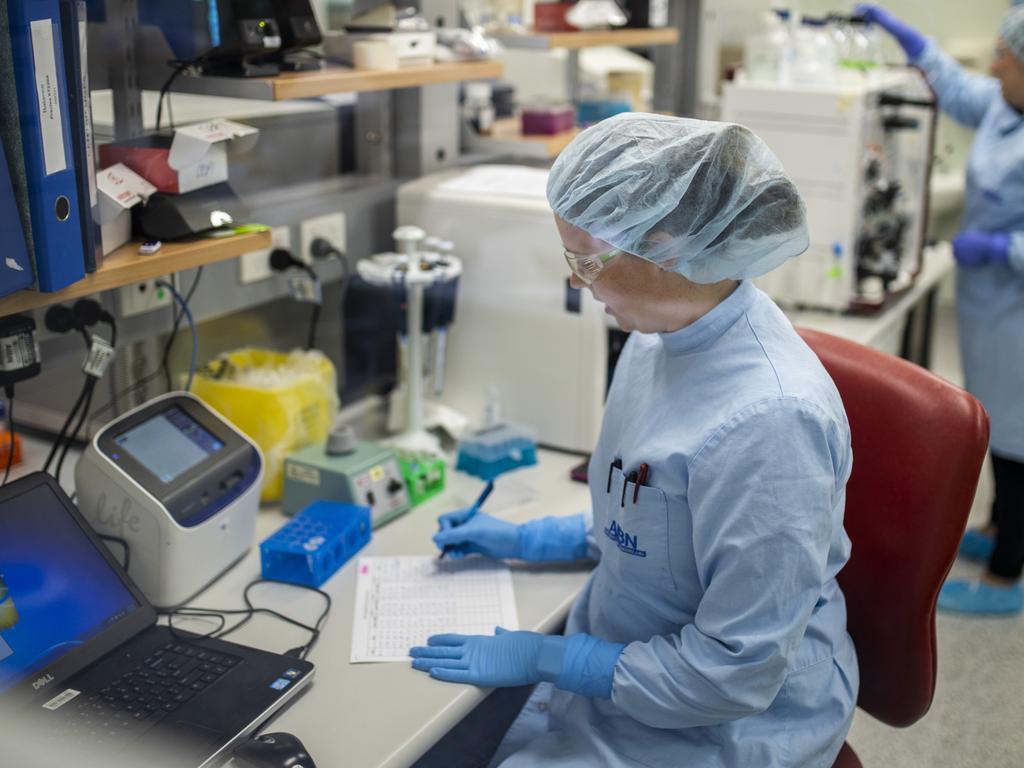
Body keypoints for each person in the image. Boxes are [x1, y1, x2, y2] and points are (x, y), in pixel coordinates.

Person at [408, 114, 859, 768]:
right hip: (635, 664)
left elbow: (733, 675)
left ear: (668, 247)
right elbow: (656, 525)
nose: (575, 281)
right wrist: (528, 540)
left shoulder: (771, 422)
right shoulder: (659, 339)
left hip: (725, 723)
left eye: (584, 259)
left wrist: (551, 657)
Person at [856, 4, 1024, 616]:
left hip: (1017, 301)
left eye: (1005, 55)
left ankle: (1009, 577)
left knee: (1019, 438)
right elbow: (957, 88)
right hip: (992, 305)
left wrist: (1004, 246)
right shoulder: (1007, 104)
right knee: (1000, 426)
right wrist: (911, 39)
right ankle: (1001, 529)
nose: (994, 62)